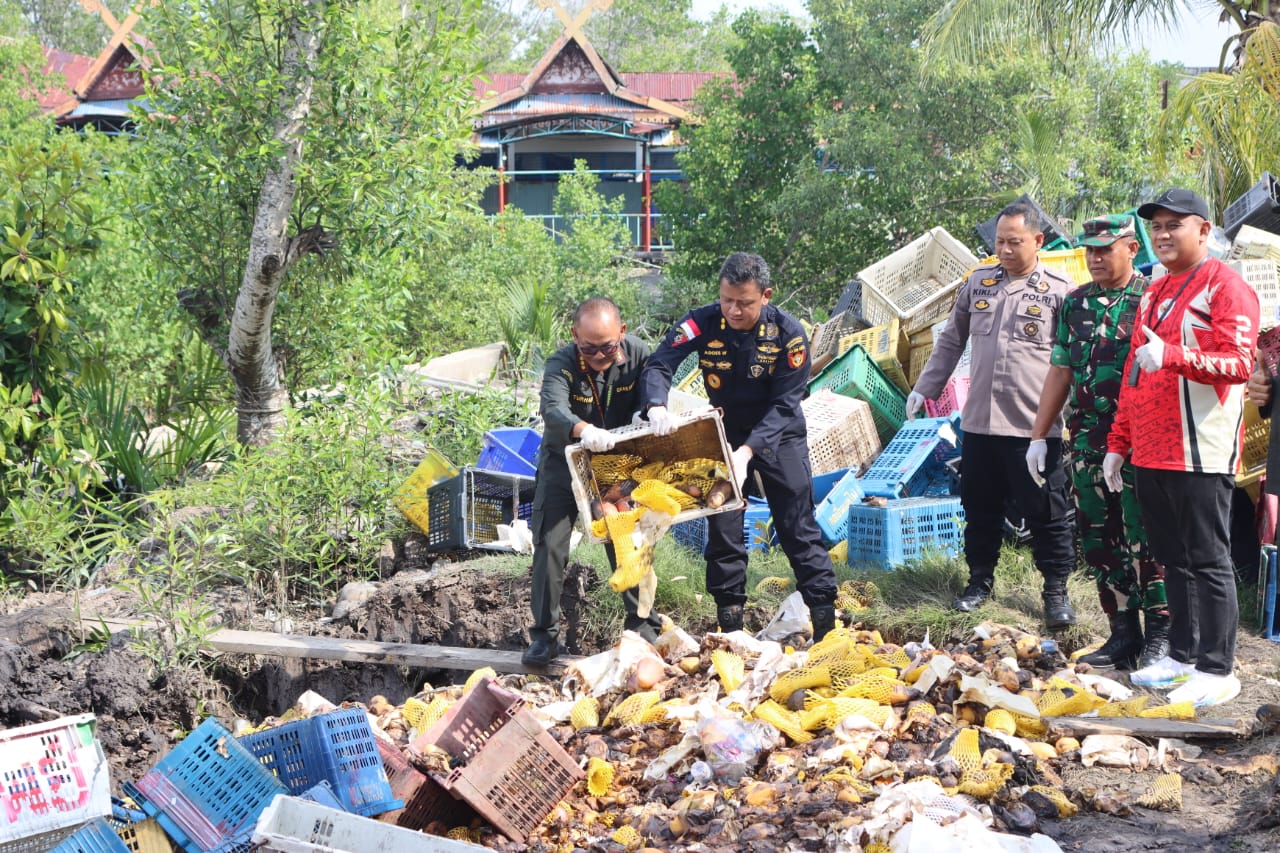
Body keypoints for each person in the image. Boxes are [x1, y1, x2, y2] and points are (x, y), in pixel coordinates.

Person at [1105, 188, 1258, 707]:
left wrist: (1173, 355)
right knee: (1172, 559)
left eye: (1175, 224)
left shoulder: (1225, 286)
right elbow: (1133, 373)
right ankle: (1184, 657)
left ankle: (1218, 669)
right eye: (1157, 226)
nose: (1163, 234)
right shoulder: (1154, 292)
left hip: (1200, 450)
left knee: (1208, 560)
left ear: (1204, 230)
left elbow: (1239, 364)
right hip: (1151, 451)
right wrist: (1119, 442)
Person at [638, 252, 839, 641]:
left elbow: (786, 404)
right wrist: (656, 405)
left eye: (744, 303)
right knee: (724, 526)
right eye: (727, 299)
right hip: (723, 431)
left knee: (796, 523)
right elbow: (660, 363)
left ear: (765, 295)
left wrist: (747, 454)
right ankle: (731, 628)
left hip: (779, 433)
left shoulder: (788, 335)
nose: (733, 310)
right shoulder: (702, 321)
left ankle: (824, 622)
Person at [908, 202, 1078, 629]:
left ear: (1038, 241)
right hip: (980, 423)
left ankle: (1055, 592)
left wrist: (1074, 417)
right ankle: (979, 582)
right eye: (999, 242)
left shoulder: (1060, 291)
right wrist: (925, 388)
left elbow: (1075, 360)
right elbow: (951, 340)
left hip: (1033, 427)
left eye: (1014, 242)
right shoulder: (979, 282)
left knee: (1047, 512)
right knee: (979, 509)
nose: (1004, 250)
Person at [1026, 214, 1169, 669]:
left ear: (1131, 248)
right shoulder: (1076, 302)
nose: (1095, 258)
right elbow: (1061, 369)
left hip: (1140, 442)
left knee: (1145, 537)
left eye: (1105, 249)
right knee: (1098, 537)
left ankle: (1161, 634)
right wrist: (1039, 435)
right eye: (1090, 250)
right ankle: (1123, 633)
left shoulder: (1152, 298)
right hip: (1088, 439)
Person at [523, 297, 663, 667]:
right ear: (574, 336)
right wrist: (583, 429)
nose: (599, 356)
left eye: (607, 347)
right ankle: (544, 637)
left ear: (623, 332)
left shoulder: (638, 355)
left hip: (618, 464)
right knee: (550, 546)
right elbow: (553, 409)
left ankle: (642, 626)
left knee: (627, 538)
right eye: (589, 348)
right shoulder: (561, 363)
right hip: (564, 462)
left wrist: (652, 408)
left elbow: (654, 385)